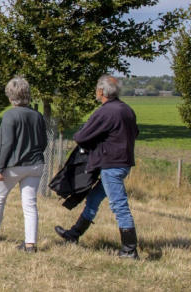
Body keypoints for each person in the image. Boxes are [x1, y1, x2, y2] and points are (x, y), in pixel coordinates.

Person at [55, 75, 140, 259]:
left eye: (96, 88)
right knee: (93, 198)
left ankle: (129, 250)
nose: (96, 91)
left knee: (119, 205)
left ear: (102, 91)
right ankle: (74, 234)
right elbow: (135, 133)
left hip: (111, 164)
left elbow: (81, 137)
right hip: (124, 162)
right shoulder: (127, 109)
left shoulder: (105, 112)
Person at [0, 77, 48, 253]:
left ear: (10, 97)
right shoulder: (37, 116)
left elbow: (6, 144)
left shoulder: (10, 115)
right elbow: (44, 142)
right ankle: (30, 244)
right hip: (35, 165)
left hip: (13, 165)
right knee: (30, 204)